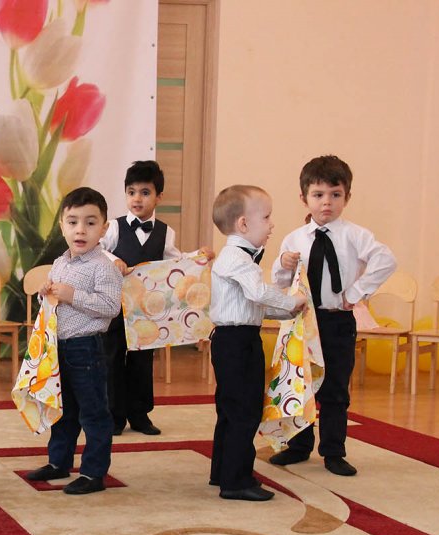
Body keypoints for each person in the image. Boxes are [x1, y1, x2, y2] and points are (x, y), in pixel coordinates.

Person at [269, 155, 396, 476]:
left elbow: (386, 260)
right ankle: (298, 446)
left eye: (335, 194)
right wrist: (282, 264)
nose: (327, 202)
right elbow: (281, 282)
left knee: (336, 386)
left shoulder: (356, 235)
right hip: (302, 321)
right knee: (300, 384)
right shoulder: (295, 238)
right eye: (318, 194)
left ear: (347, 197)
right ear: (304, 198)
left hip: (337, 320)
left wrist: (356, 293)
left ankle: (334, 451)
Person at [102, 160, 213, 437]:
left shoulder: (165, 232)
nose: (137, 199)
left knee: (142, 362)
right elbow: (98, 250)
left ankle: (140, 415)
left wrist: (197, 257)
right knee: (111, 359)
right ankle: (113, 416)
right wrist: (114, 260)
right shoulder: (114, 227)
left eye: (145, 192)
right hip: (115, 308)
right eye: (131, 192)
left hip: (145, 312)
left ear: (158, 197)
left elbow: (176, 261)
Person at [209, 185, 307, 501]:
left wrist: (287, 310)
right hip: (236, 343)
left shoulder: (238, 259)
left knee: (231, 409)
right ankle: (236, 481)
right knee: (244, 410)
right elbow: (258, 293)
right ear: (243, 224)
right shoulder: (236, 258)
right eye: (266, 217)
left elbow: (255, 305)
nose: (271, 224)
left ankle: (223, 470)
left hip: (237, 339)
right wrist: (291, 301)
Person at [25, 187, 123, 495]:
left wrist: (72, 295)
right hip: (58, 347)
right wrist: (46, 292)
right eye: (72, 222)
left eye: (90, 223)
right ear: (62, 226)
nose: (80, 230)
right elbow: (54, 301)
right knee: (62, 409)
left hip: (86, 348)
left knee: (93, 412)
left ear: (103, 228)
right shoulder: (60, 262)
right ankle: (59, 462)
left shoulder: (104, 267)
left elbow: (111, 307)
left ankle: (93, 473)